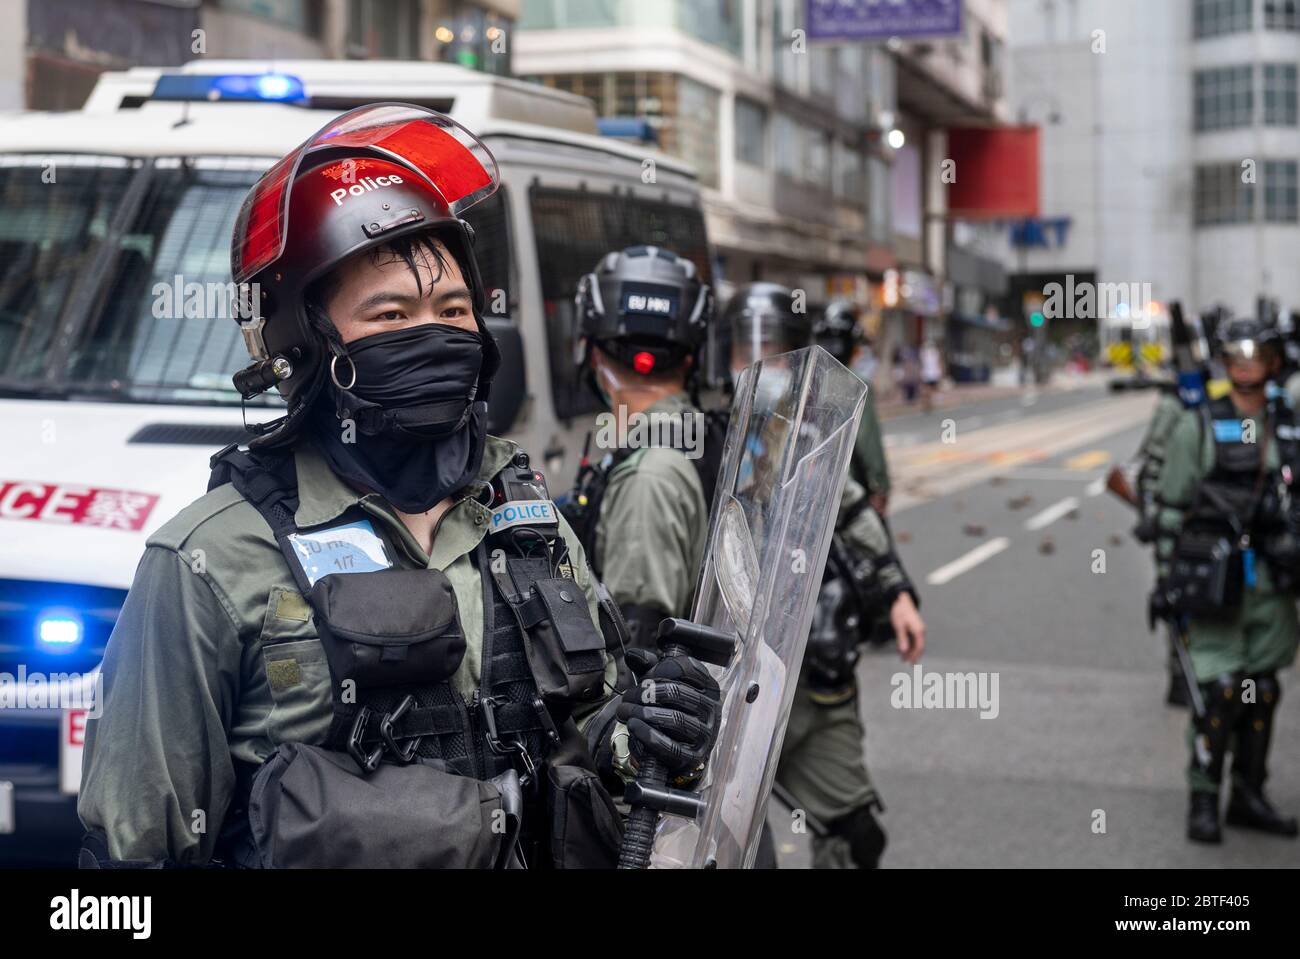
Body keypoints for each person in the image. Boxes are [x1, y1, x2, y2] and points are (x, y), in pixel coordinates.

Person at [76, 106, 721, 868]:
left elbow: (592, 737)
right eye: (392, 314)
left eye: (453, 310)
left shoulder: (524, 518)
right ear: (301, 344)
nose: (437, 333)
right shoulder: (206, 560)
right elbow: (130, 856)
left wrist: (655, 729)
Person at [725, 283, 926, 869]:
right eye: (745, 348)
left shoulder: (810, 438)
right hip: (728, 688)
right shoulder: (700, 442)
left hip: (813, 666)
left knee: (859, 837)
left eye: (775, 347)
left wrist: (897, 594)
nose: (759, 362)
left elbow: (856, 511)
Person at [1154, 317, 1300, 844]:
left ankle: (1248, 793)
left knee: (1259, 690)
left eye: (1255, 354)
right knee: (1220, 694)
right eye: (1235, 354)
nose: (1244, 364)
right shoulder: (1199, 424)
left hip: (1272, 584)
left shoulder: (1289, 424)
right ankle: (1202, 795)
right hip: (1214, 582)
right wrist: (1170, 583)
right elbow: (1171, 510)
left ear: (1274, 362)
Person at [814, 299, 890, 514]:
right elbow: (868, 441)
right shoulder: (857, 384)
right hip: (849, 495)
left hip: (807, 498)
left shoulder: (806, 381)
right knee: (878, 547)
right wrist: (880, 486)